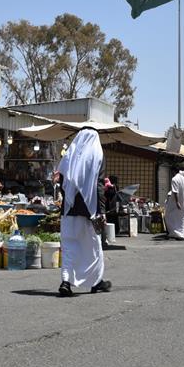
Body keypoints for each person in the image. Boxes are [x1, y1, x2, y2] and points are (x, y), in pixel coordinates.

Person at [57, 127, 111, 297]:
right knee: (93, 247)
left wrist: (69, 201)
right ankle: (97, 282)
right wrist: (101, 210)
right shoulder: (97, 155)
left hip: (68, 210)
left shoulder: (69, 156)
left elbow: (62, 183)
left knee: (69, 246)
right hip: (89, 211)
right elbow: (99, 186)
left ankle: (66, 282)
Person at [164, 169, 184, 240]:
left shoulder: (174, 179)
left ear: (173, 171)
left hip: (175, 201)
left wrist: (177, 202)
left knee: (169, 216)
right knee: (182, 218)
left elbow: (175, 191)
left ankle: (175, 233)